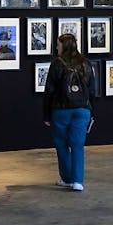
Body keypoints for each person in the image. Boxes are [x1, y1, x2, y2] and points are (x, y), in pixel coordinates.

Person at [43, 34, 96, 192]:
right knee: (78, 145)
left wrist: (46, 114)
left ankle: (66, 178)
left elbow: (49, 90)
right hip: (82, 110)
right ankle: (78, 181)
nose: (56, 47)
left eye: (58, 45)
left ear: (63, 45)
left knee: (62, 144)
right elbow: (92, 90)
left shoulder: (57, 64)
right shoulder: (85, 63)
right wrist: (90, 109)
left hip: (61, 110)